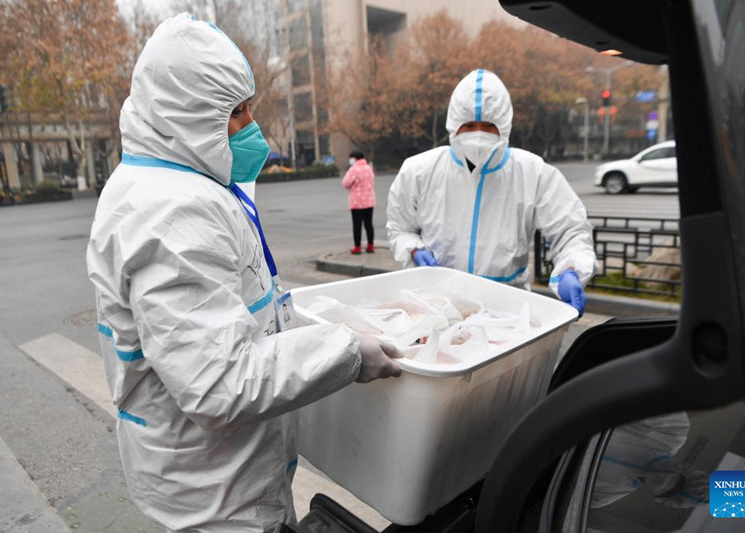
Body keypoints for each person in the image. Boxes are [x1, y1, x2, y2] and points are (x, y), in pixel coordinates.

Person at [86, 14, 402, 533]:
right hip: (216, 496)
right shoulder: (172, 212)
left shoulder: (179, 182)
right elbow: (218, 383)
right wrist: (345, 351)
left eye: (249, 106)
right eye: (234, 112)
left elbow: (239, 315)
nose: (250, 125)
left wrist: (309, 329)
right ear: (185, 115)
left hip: (221, 471)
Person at [387, 69, 597, 316]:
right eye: (468, 125)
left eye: (488, 126)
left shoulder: (533, 173)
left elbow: (571, 231)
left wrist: (571, 269)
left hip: (505, 308)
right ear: (454, 125)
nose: (478, 134)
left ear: (504, 126)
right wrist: (413, 249)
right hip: (435, 304)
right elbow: (400, 228)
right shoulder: (419, 171)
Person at [342, 150, 376, 254]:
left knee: (357, 225)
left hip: (357, 202)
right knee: (369, 224)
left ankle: (357, 247)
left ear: (354, 158)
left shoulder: (353, 170)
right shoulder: (369, 168)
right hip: (369, 201)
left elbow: (346, 183)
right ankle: (370, 245)